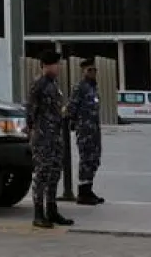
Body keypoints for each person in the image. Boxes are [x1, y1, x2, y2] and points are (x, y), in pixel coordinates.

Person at [26, 49, 74, 228]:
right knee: (42, 174)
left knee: (54, 173)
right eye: (57, 64)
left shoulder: (54, 84)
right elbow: (31, 109)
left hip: (55, 136)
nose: (59, 67)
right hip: (43, 137)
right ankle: (38, 214)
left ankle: (52, 210)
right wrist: (31, 130)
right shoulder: (39, 84)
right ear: (48, 65)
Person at [68, 60, 104, 205]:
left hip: (94, 129)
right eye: (89, 70)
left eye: (94, 70)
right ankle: (83, 193)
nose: (92, 73)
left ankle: (89, 189)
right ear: (83, 71)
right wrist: (74, 124)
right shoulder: (79, 87)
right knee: (86, 159)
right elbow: (72, 107)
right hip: (84, 129)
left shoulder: (93, 87)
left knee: (94, 159)